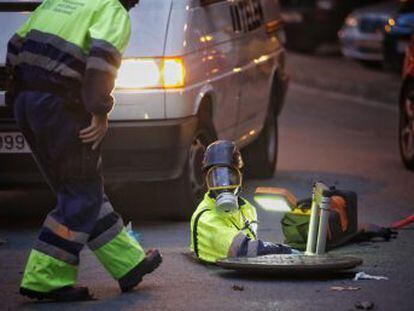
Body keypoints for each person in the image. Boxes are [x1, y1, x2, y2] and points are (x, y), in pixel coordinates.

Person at [5, 0, 162, 302]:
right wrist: (100, 111)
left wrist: (18, 97)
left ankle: (128, 263)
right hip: (60, 107)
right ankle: (45, 277)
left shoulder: (60, 1)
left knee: (80, 187)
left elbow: (15, 44)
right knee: (79, 193)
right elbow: (100, 66)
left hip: (28, 104)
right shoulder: (111, 11)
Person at [190, 140, 293, 264]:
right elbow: (244, 250)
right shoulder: (205, 218)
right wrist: (286, 250)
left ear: (240, 177)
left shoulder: (247, 209)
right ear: (207, 181)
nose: (224, 184)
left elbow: (254, 248)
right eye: (216, 177)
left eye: (231, 176)